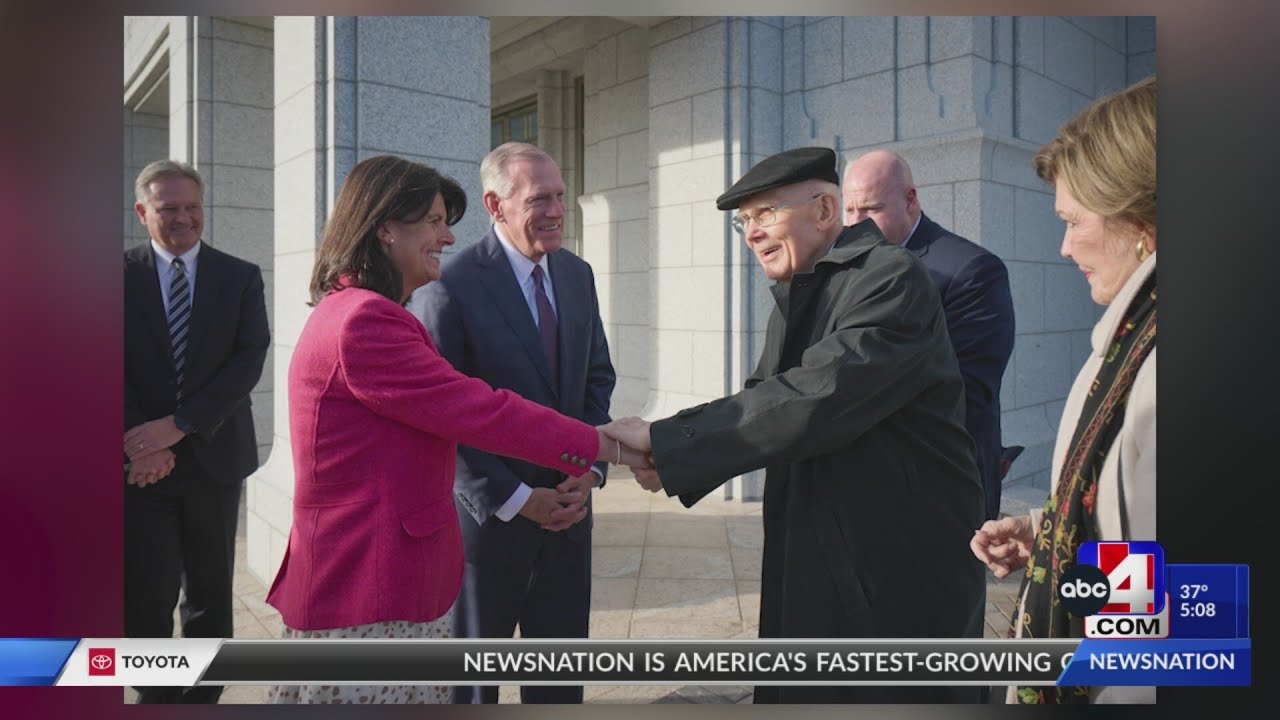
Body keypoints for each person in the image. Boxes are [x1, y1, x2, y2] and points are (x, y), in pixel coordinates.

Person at [604, 146, 986, 704]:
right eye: (744, 222)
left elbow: (818, 397)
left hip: (891, 568)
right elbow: (765, 398)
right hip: (827, 554)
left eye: (765, 215)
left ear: (826, 210)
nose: (752, 234)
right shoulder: (803, 289)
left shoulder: (891, 278)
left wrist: (668, 442)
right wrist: (671, 454)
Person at [263, 154, 641, 704]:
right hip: (371, 588)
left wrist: (588, 471)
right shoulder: (369, 320)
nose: (447, 234)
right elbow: (477, 410)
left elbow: (590, 377)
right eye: (435, 220)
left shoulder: (356, 309)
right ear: (386, 228)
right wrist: (612, 447)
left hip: (386, 583)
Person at [969, 76, 1157, 705]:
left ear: (1140, 218)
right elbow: (1141, 551)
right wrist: (1052, 532)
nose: (1063, 246)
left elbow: (1191, 612)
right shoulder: (1135, 337)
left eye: (1074, 221)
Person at [411, 142, 615, 705]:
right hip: (489, 529)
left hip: (569, 520)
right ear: (495, 205)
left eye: (559, 196)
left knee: (559, 684)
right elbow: (437, 417)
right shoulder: (447, 287)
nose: (555, 211)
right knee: (474, 690)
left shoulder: (577, 274)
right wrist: (519, 497)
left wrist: (589, 471)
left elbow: (596, 379)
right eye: (539, 199)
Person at [123, 160, 270, 704]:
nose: (183, 218)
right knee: (147, 591)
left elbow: (248, 359)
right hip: (139, 469)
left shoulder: (239, 276)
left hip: (214, 458)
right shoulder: (116, 276)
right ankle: (156, 693)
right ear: (143, 213)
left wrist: (179, 426)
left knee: (209, 592)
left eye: (192, 207)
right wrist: (140, 442)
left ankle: (204, 694)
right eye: (168, 209)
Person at [843, 151, 1016, 521]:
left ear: (910, 199)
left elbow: (968, 390)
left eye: (870, 210)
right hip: (870, 484)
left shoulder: (972, 271)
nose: (856, 225)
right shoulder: (850, 266)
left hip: (942, 485)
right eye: (849, 210)